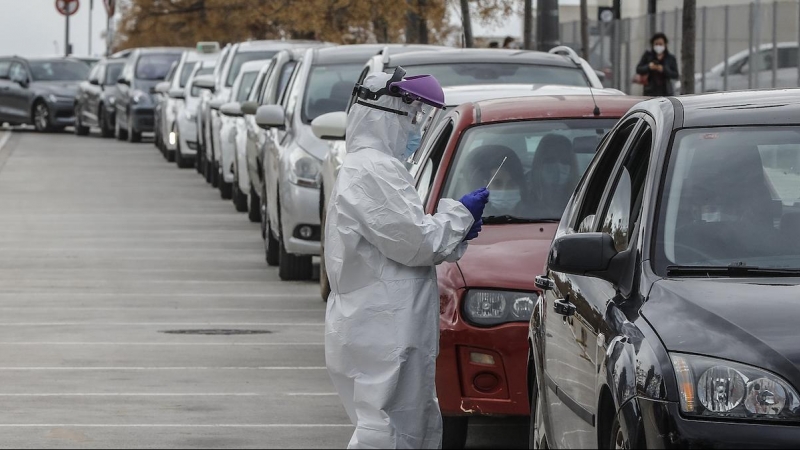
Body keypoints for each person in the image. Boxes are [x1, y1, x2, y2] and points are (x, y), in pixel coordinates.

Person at [324, 68, 489, 449]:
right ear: (387, 115)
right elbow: (417, 243)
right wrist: (460, 215)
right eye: (411, 116)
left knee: (398, 425)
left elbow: (405, 237)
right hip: (384, 326)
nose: (416, 127)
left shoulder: (372, 167)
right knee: (386, 430)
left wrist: (457, 230)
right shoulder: (374, 170)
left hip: (381, 321)